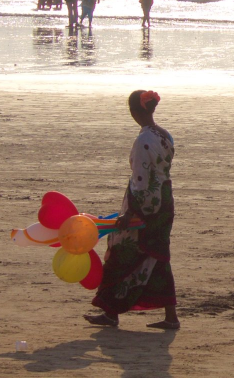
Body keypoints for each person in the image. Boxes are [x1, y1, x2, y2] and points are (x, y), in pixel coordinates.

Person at [85, 90, 178, 329]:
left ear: (133, 112)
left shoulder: (142, 142)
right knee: (158, 255)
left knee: (119, 250)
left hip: (144, 205)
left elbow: (140, 180)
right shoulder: (165, 136)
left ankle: (110, 312)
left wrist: (130, 213)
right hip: (165, 202)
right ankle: (170, 316)